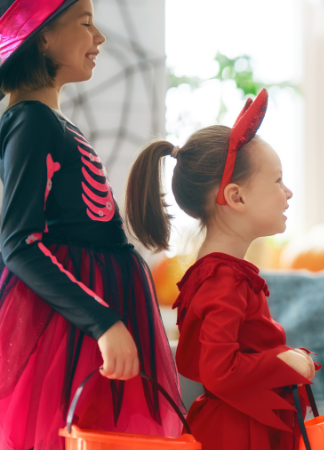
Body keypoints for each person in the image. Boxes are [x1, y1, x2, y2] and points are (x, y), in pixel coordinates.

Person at [0, 1, 184, 448]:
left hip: (87, 319)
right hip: (68, 326)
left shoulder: (51, 122)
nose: (99, 37)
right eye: (85, 24)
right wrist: (103, 323)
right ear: (43, 35)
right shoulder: (31, 121)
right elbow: (19, 242)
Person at [126, 88, 318, 450]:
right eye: (277, 180)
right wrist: (284, 360)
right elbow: (219, 370)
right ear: (236, 197)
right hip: (237, 436)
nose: (288, 192)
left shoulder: (221, 272)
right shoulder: (222, 278)